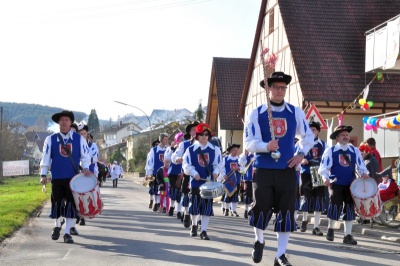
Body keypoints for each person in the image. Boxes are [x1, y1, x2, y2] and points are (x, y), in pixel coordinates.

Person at [244, 72, 314, 265]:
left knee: (286, 211)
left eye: (283, 88)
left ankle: (280, 255)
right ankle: (259, 241)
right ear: (268, 89)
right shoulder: (256, 113)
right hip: (263, 170)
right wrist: (266, 146)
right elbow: (250, 142)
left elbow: (308, 136)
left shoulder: (295, 112)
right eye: (276, 87)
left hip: (287, 170)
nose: (280, 91)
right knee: (260, 209)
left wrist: (300, 154)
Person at [40, 110, 91, 244]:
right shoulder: (50, 139)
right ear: (58, 123)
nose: (64, 122)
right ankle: (57, 225)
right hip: (57, 176)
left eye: (66, 120)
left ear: (70, 122)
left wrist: (85, 167)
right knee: (57, 203)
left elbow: (85, 156)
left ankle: (67, 232)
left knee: (70, 205)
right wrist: (43, 174)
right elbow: (45, 158)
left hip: (73, 178)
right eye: (61, 120)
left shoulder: (79, 139)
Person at [319, 125, 369, 245]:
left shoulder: (354, 150)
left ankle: (347, 235)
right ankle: (330, 229)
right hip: (335, 183)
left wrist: (364, 174)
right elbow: (324, 167)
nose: (346, 137)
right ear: (337, 137)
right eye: (343, 135)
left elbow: (361, 165)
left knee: (349, 208)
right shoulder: (330, 151)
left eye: (347, 135)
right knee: (335, 206)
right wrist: (325, 177)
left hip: (351, 184)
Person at [182, 123, 224, 240]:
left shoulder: (215, 149)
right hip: (196, 182)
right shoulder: (190, 150)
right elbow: (186, 165)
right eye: (202, 134)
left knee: (206, 208)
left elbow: (219, 163)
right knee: (194, 207)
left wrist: (216, 171)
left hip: (209, 183)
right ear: (197, 136)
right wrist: (194, 173)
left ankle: (204, 231)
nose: (204, 137)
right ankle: (194, 225)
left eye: (206, 134)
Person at [298, 122, 329, 236]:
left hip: (319, 173)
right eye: (310, 130)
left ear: (318, 131)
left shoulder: (324, 145)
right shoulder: (302, 144)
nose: (312, 132)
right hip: (306, 173)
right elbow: (296, 155)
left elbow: (327, 159)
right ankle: (304, 220)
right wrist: (302, 160)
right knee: (307, 197)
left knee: (319, 199)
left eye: (314, 130)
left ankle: (316, 227)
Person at [171, 121, 199, 227]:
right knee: (187, 195)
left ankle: (198, 219)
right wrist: (178, 159)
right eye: (193, 130)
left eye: (198, 129)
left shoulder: (205, 144)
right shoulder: (184, 144)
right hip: (187, 174)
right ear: (190, 132)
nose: (196, 131)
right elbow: (174, 156)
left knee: (200, 197)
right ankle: (187, 213)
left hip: (201, 175)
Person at [146, 133, 169, 211]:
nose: (167, 140)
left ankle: (165, 205)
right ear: (161, 140)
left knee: (166, 187)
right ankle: (157, 203)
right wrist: (150, 173)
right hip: (156, 173)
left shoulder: (167, 149)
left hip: (166, 174)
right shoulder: (154, 150)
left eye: (167, 139)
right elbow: (150, 162)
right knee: (156, 188)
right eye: (165, 139)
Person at [164, 132, 185, 217]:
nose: (181, 141)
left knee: (180, 192)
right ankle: (172, 207)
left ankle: (179, 211)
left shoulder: (185, 147)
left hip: (182, 173)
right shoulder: (171, 148)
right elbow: (167, 158)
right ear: (176, 140)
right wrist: (172, 149)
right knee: (173, 191)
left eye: (183, 139)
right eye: (180, 139)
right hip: (172, 173)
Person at [220, 144, 241, 217]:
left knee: (235, 195)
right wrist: (224, 175)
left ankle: (234, 210)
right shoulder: (225, 159)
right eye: (234, 150)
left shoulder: (239, 159)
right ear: (231, 151)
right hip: (228, 180)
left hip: (237, 180)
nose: (236, 151)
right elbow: (221, 168)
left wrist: (239, 168)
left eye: (237, 150)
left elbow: (244, 169)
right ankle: (226, 209)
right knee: (227, 194)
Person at [238, 149, 254, 219]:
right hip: (248, 178)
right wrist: (245, 155)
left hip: (258, 178)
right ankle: (246, 210)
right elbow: (241, 164)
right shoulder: (246, 155)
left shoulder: (257, 154)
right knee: (247, 194)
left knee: (256, 195)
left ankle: (253, 210)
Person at [145, 140, 160, 209]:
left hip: (159, 173)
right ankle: (151, 201)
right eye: (156, 145)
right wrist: (147, 174)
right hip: (151, 173)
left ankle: (157, 203)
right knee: (151, 188)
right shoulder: (150, 153)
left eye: (158, 144)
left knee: (157, 189)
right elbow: (148, 164)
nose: (157, 146)